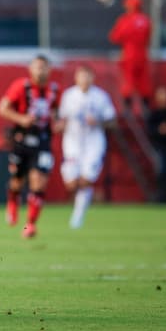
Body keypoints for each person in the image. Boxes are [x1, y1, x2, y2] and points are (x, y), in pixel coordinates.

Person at [0, 55, 59, 239]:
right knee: (17, 180)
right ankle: (13, 200)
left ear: (50, 70)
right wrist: (21, 119)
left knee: (39, 182)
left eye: (44, 67)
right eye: (38, 67)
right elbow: (2, 108)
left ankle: (31, 224)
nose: (41, 71)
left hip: (43, 141)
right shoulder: (21, 86)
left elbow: (55, 114)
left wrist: (58, 123)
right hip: (22, 140)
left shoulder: (55, 90)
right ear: (31, 69)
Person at [57, 65, 117, 229]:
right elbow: (61, 118)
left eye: (87, 76)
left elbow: (112, 120)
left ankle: (78, 216)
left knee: (85, 181)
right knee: (71, 184)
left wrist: (98, 121)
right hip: (72, 144)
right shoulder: (69, 96)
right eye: (81, 76)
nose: (84, 80)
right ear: (76, 78)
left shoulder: (100, 97)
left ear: (92, 78)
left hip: (94, 144)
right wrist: (59, 126)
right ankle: (89, 199)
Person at [109, 0, 152, 112]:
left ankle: (127, 110)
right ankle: (145, 108)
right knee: (143, 82)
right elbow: (148, 38)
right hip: (143, 55)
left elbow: (114, 37)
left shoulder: (125, 20)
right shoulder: (146, 20)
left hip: (129, 55)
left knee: (128, 81)